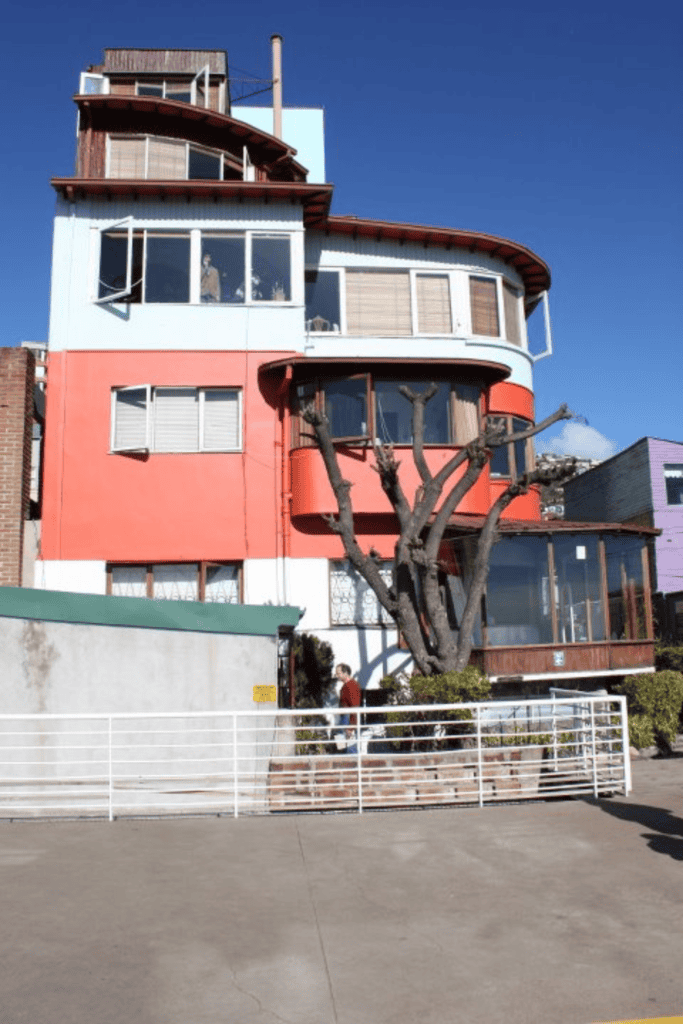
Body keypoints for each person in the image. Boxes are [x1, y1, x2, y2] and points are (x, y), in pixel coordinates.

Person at [335, 663, 361, 753]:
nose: (337, 675)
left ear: (345, 673)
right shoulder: (346, 686)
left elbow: (355, 706)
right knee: (341, 747)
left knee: (351, 748)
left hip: (348, 719)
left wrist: (352, 726)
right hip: (343, 719)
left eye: (338, 673)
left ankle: (353, 765)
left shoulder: (352, 686)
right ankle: (342, 763)